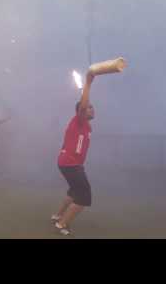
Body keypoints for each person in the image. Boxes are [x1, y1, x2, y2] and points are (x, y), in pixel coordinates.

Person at [52, 71, 95, 236]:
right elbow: (83, 105)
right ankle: (61, 224)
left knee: (74, 191)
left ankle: (57, 215)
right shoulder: (78, 121)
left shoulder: (86, 126)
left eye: (92, 107)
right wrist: (88, 83)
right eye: (89, 107)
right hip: (70, 164)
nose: (92, 109)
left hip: (71, 163)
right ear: (81, 112)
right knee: (84, 196)